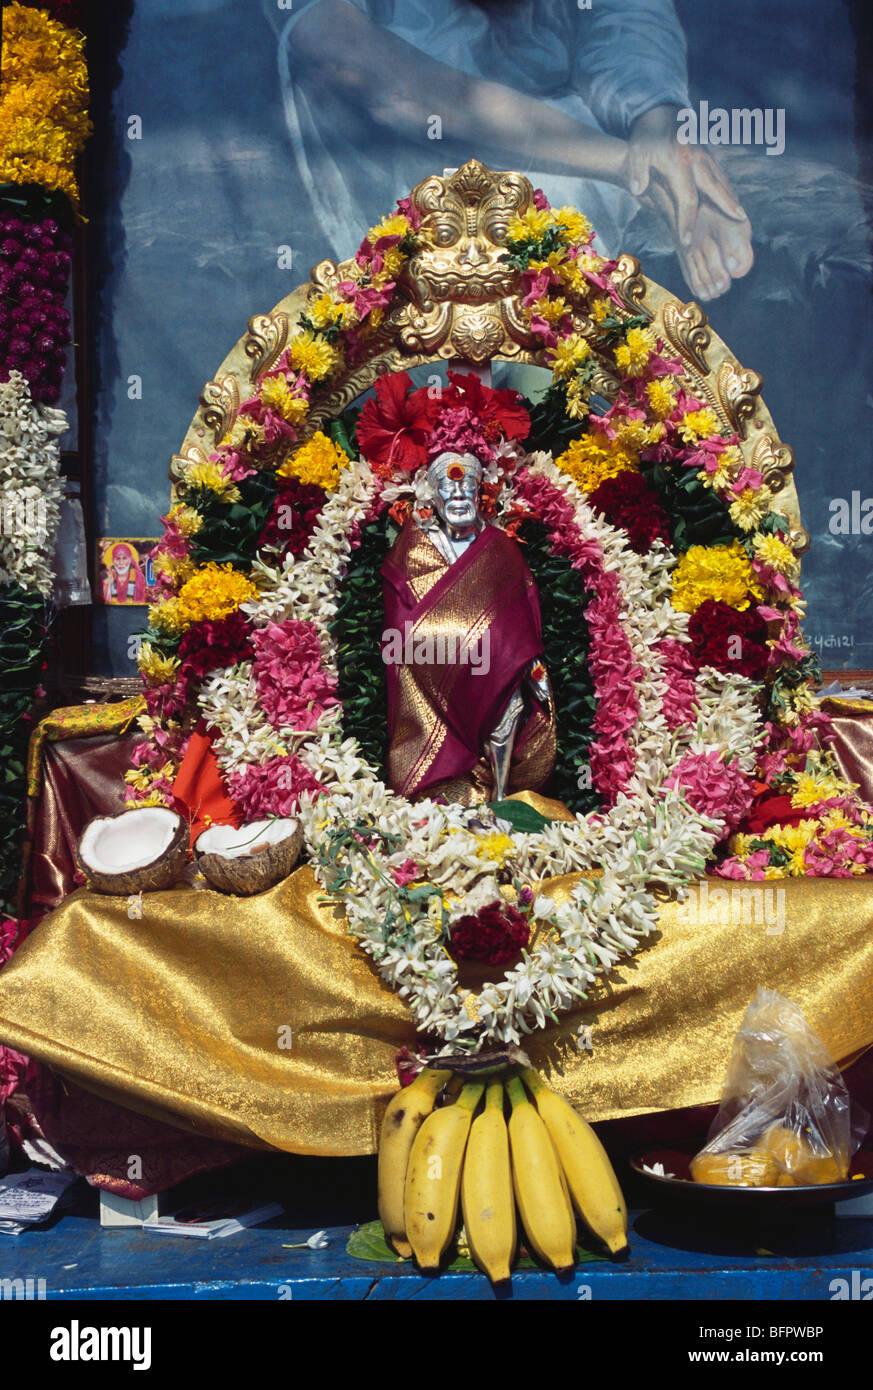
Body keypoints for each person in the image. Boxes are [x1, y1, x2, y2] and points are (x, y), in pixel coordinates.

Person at [381, 449, 555, 803]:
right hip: (428, 668)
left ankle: (502, 798)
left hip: (495, 665)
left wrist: (530, 664)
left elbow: (521, 620)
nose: (459, 497)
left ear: (480, 495)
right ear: (431, 493)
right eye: (448, 488)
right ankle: (442, 792)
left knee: (508, 698)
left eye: (467, 489)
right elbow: (400, 625)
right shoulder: (413, 548)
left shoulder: (500, 549)